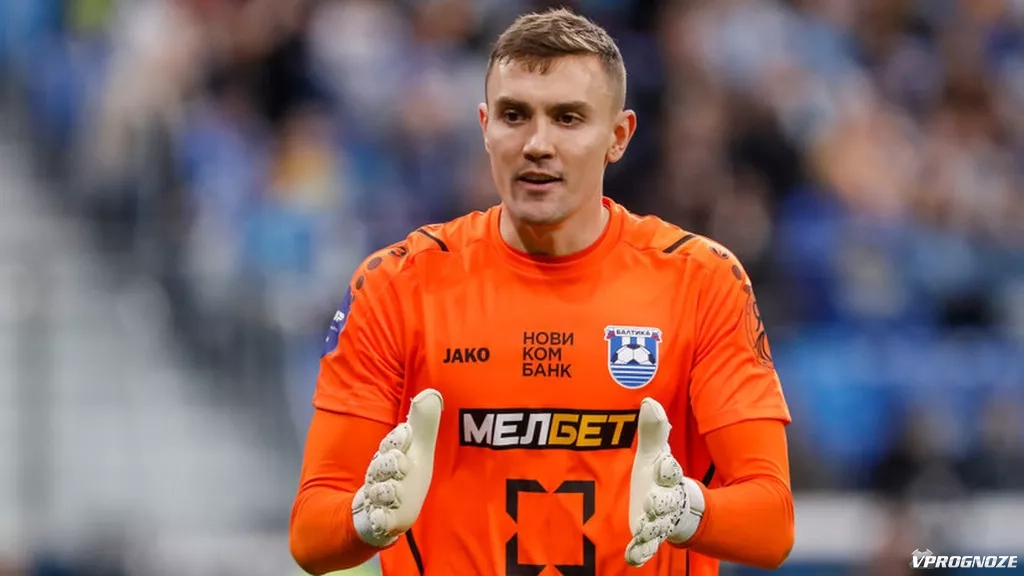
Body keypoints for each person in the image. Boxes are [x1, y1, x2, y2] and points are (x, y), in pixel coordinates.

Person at [290, 8, 794, 576]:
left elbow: (772, 524)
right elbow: (310, 531)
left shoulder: (701, 282)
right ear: (485, 127)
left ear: (619, 136)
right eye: (514, 115)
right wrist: (365, 518)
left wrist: (688, 510)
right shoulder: (396, 285)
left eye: (568, 118)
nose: (537, 143)